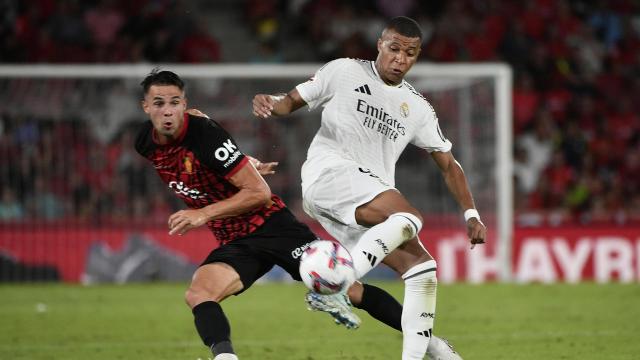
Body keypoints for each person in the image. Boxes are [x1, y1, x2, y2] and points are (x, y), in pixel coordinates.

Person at [135, 69, 455, 360]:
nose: (168, 111)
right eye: (159, 103)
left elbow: (258, 192)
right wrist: (240, 161)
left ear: (184, 103)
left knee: (348, 289)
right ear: (145, 107)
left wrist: (203, 212)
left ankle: (432, 345)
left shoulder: (204, 134)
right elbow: (201, 138)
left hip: (273, 226)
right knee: (199, 293)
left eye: (175, 102)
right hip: (234, 239)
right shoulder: (144, 143)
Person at [253, 16, 486, 360]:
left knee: (422, 268)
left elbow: (449, 164)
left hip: (365, 198)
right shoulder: (345, 71)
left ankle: (429, 351)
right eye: (394, 49)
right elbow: (291, 100)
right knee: (409, 216)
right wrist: (271, 102)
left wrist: (471, 213)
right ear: (380, 44)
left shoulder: (418, 108)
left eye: (410, 53)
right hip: (330, 173)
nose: (400, 59)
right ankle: (334, 284)